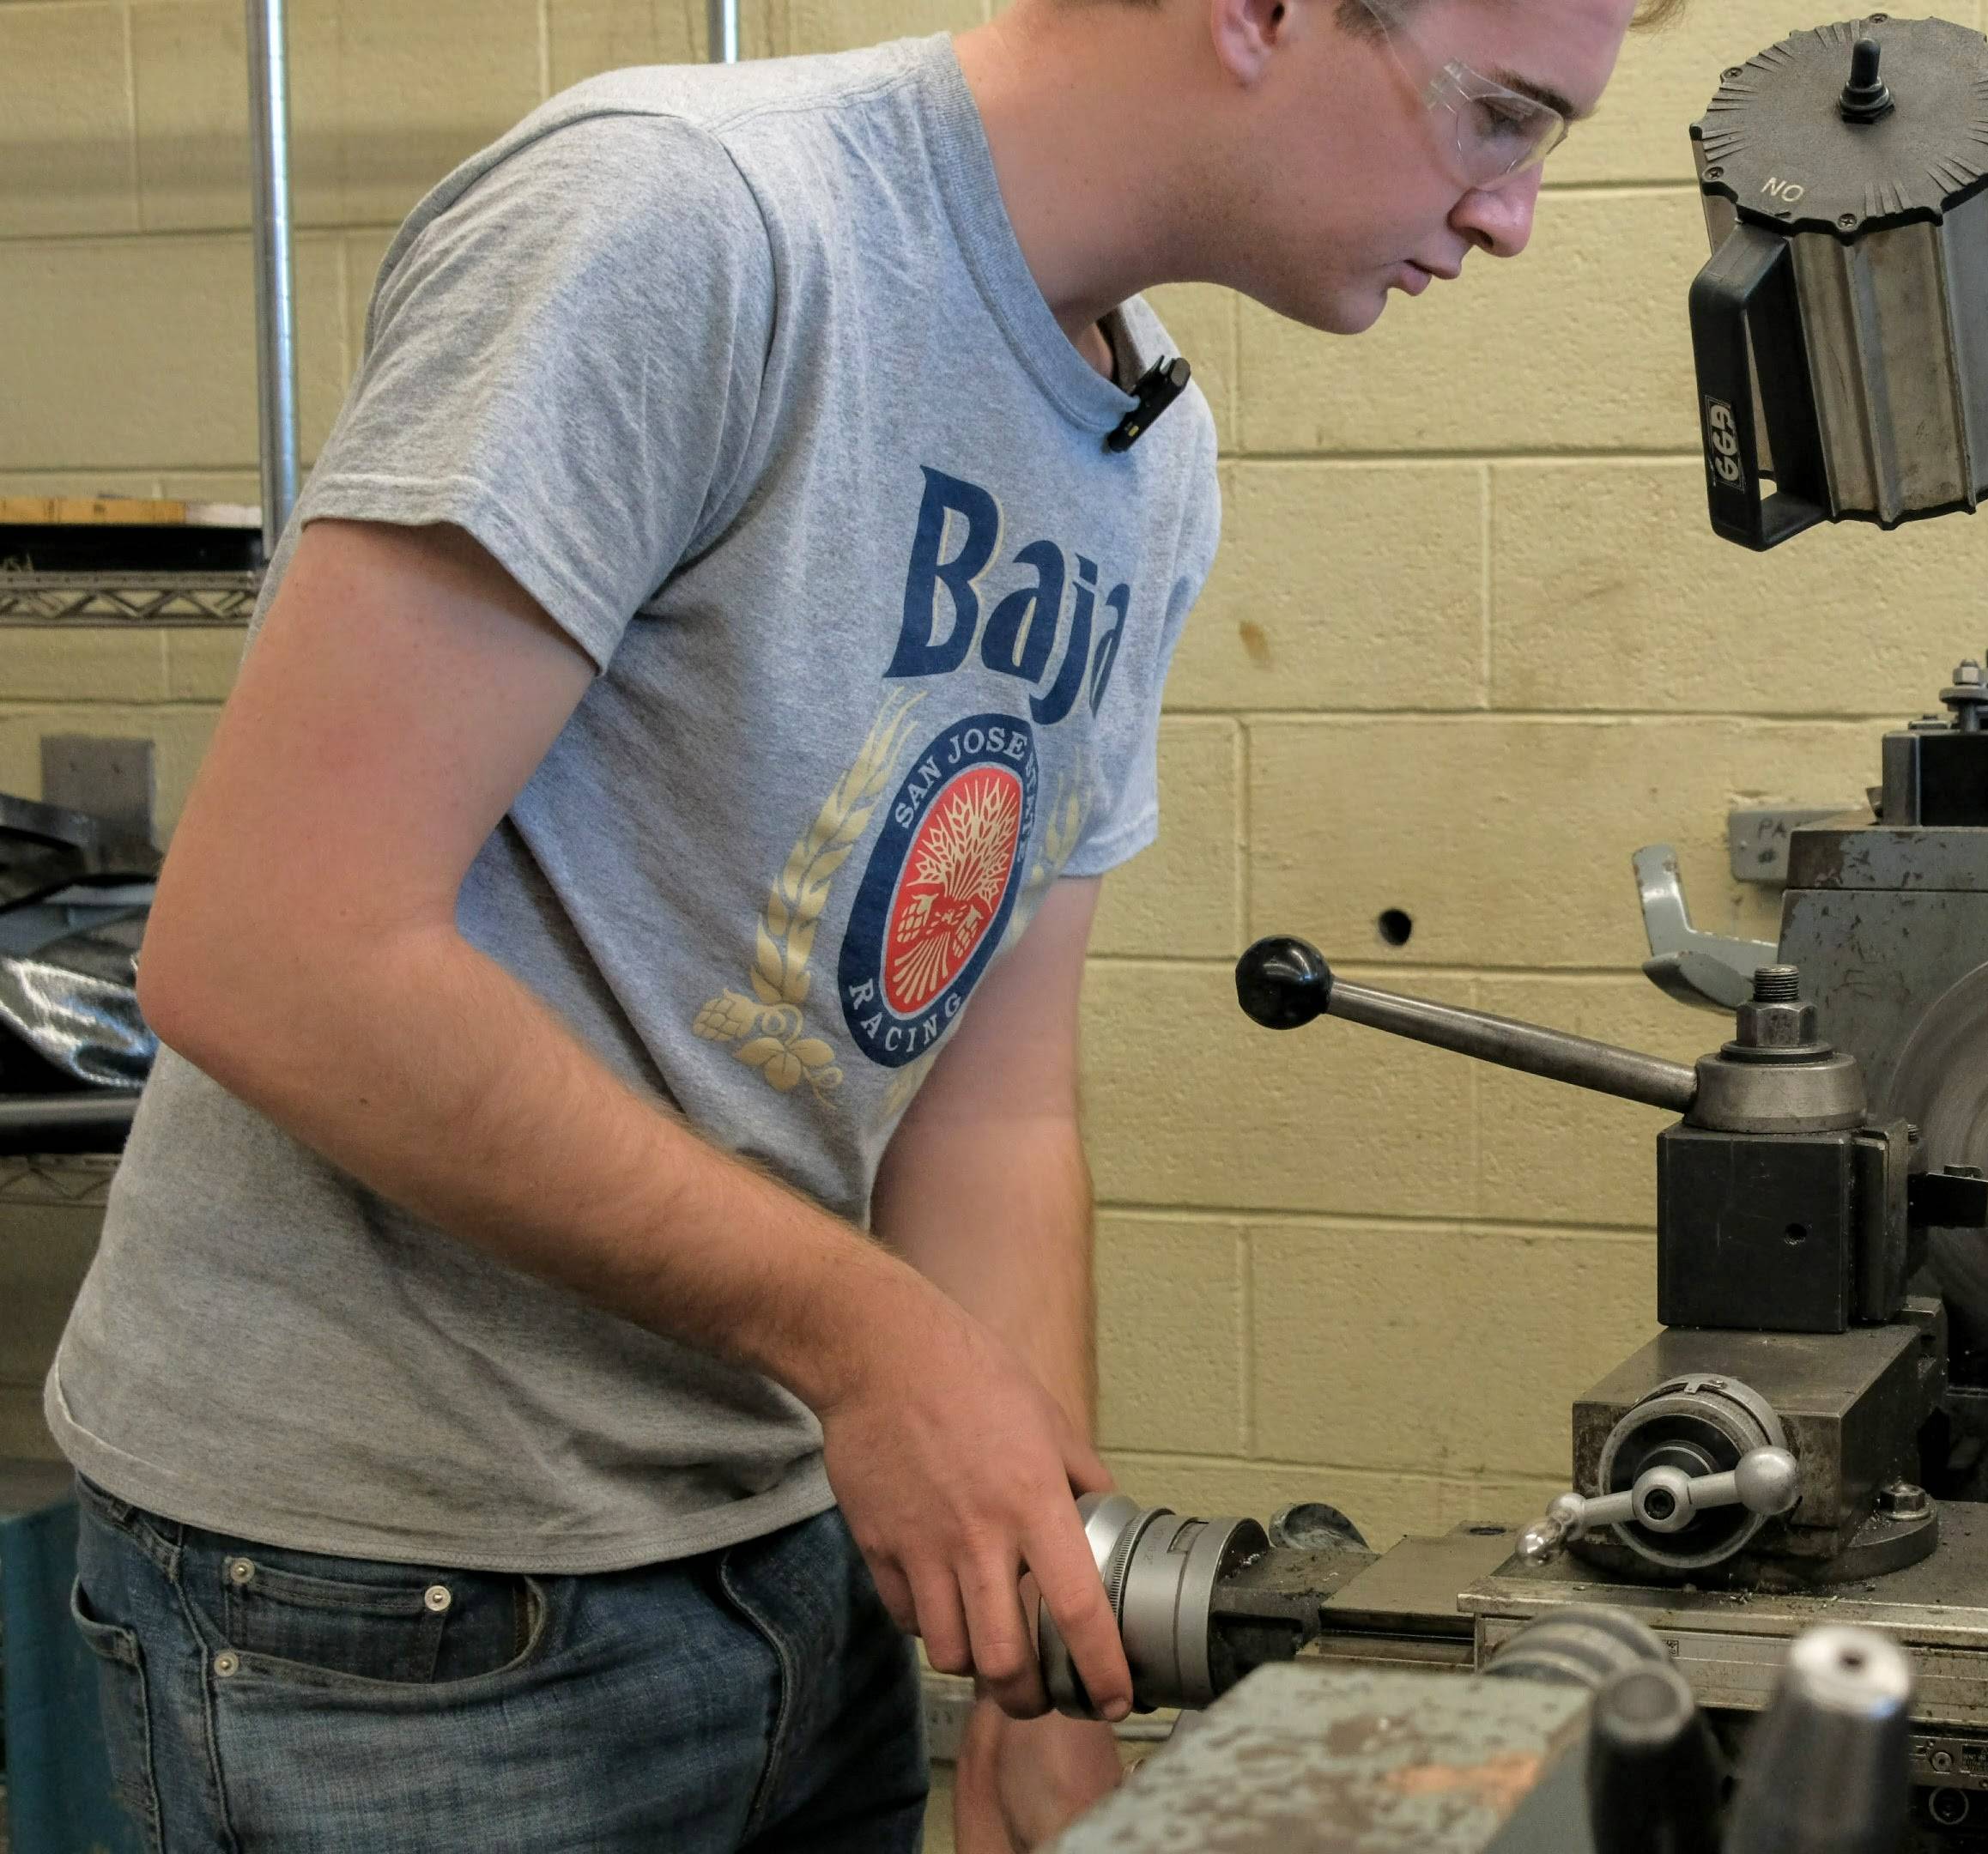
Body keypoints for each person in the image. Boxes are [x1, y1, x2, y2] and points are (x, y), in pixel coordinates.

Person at [43, 0, 1650, 1844]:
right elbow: (273, 954)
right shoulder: (691, 226)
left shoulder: (1149, 448)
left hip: (789, 1539)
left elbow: (996, 1101)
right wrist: (870, 1345)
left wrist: (1044, 1635)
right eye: (1503, 117)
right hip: (392, 1606)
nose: (1513, 214)